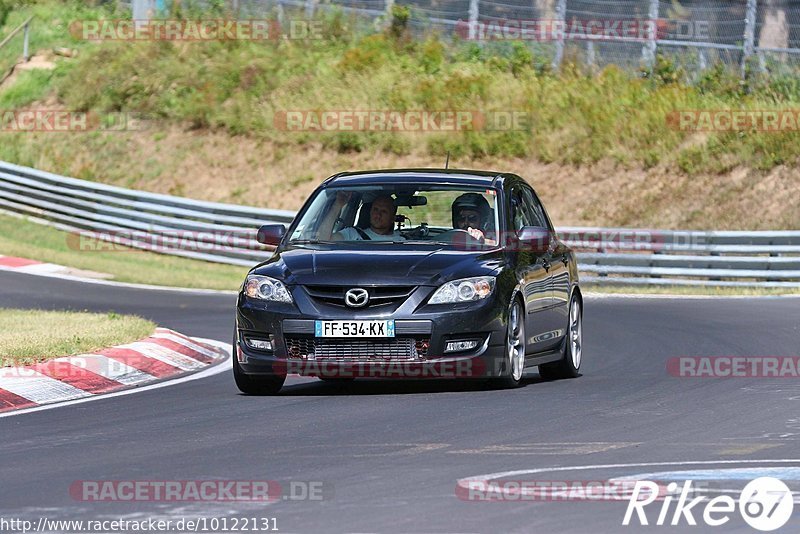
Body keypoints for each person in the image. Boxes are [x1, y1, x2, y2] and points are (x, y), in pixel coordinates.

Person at [319, 192, 403, 241]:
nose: (378, 214)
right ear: (370, 212)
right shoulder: (351, 234)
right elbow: (322, 240)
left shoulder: (403, 240)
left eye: (384, 211)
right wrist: (338, 204)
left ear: (392, 218)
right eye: (375, 209)